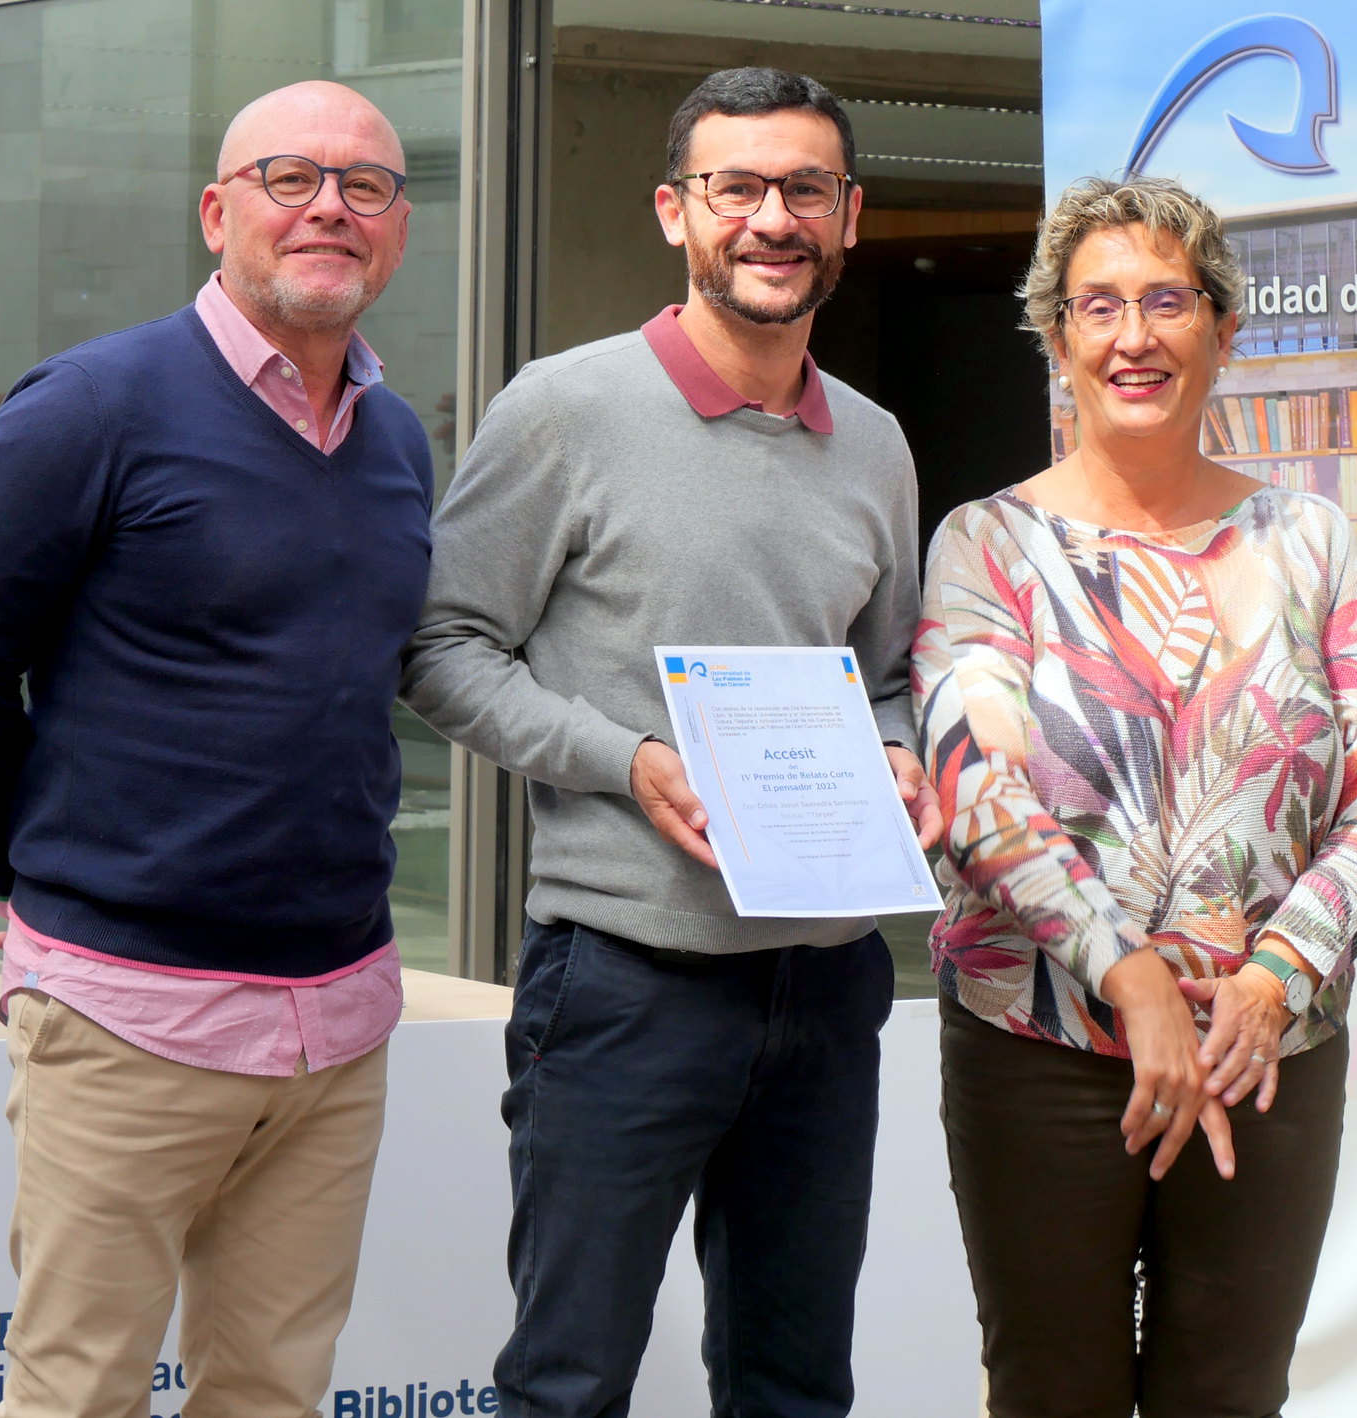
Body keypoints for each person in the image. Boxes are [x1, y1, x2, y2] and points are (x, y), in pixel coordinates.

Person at [401, 66, 941, 1418]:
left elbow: (882, 676)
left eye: (803, 189)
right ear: (672, 211)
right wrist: (624, 759)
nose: (771, 219)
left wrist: (893, 752)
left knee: (794, 1381)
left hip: (824, 985)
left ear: (849, 217)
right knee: (569, 1380)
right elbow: (441, 646)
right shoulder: (563, 408)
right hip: (625, 981)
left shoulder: (873, 444)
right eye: (736, 188)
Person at [0, 81, 428, 1418]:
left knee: (271, 1393)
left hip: (337, 1024)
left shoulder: (397, 438)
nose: (328, 209)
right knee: (79, 1394)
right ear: (217, 211)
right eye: (289, 176)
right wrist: (46, 873)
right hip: (130, 1019)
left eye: (365, 187)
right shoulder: (93, 405)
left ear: (398, 229)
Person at [913, 175, 1357, 1418]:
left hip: (1267, 1049)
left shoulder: (1309, 540)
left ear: (1221, 329)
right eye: (1098, 307)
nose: (1132, 336)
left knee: (1231, 1388)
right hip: (1042, 1046)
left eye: (1165, 302)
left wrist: (1271, 976)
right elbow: (973, 791)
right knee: (1050, 1390)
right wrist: (1130, 976)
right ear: (1058, 336)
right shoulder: (987, 545)